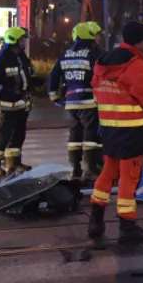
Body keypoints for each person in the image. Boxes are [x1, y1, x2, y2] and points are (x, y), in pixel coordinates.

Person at [88, 21, 143, 244]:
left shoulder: (103, 62)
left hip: (110, 129)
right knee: (129, 179)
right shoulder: (135, 65)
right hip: (133, 131)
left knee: (108, 174)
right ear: (139, 41)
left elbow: (96, 90)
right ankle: (127, 226)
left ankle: (95, 221)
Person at [49, 22, 104, 182]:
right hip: (90, 101)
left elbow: (54, 75)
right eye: (97, 35)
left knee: (74, 136)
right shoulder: (94, 54)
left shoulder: (66, 54)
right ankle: (90, 169)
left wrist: (55, 97)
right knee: (90, 136)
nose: (99, 38)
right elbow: (102, 75)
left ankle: (74, 168)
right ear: (91, 35)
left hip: (71, 102)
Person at [0, 27, 35, 177]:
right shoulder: (3, 58)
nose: (24, 42)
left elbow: (27, 76)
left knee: (18, 135)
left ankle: (14, 163)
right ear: (15, 40)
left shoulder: (21, 57)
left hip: (21, 104)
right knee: (1, 135)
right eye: (22, 40)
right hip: (7, 104)